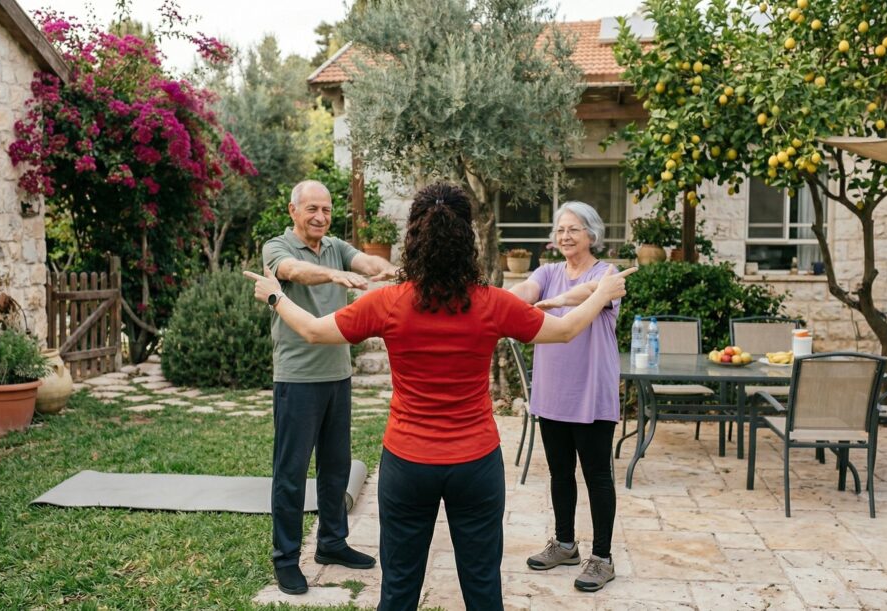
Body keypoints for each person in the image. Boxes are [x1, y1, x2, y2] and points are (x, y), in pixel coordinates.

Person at [246, 182, 633, 610]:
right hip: (476, 465)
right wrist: (601, 293)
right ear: (467, 240)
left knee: (398, 592)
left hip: (407, 464)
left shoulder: (389, 302)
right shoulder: (491, 303)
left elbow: (315, 331)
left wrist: (275, 296)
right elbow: (562, 330)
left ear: (413, 239)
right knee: (483, 589)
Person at [260, 179, 398, 595]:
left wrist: (390, 270)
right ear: (293, 211)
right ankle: (286, 559)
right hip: (297, 379)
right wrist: (336, 276)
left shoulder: (336, 245)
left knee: (337, 468)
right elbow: (292, 272)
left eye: (326, 210)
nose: (320, 217)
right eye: (312, 209)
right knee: (291, 474)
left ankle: (332, 543)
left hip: (338, 375)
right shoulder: (276, 247)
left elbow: (367, 264)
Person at [508, 201, 622, 592]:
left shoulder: (607, 274)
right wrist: (503, 299)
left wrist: (555, 302)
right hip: (553, 390)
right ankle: (566, 543)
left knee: (597, 476)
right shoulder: (548, 271)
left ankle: (602, 558)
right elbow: (524, 290)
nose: (565, 236)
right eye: (560, 230)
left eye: (573, 229)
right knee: (559, 472)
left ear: (592, 233)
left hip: (590, 392)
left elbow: (590, 293)